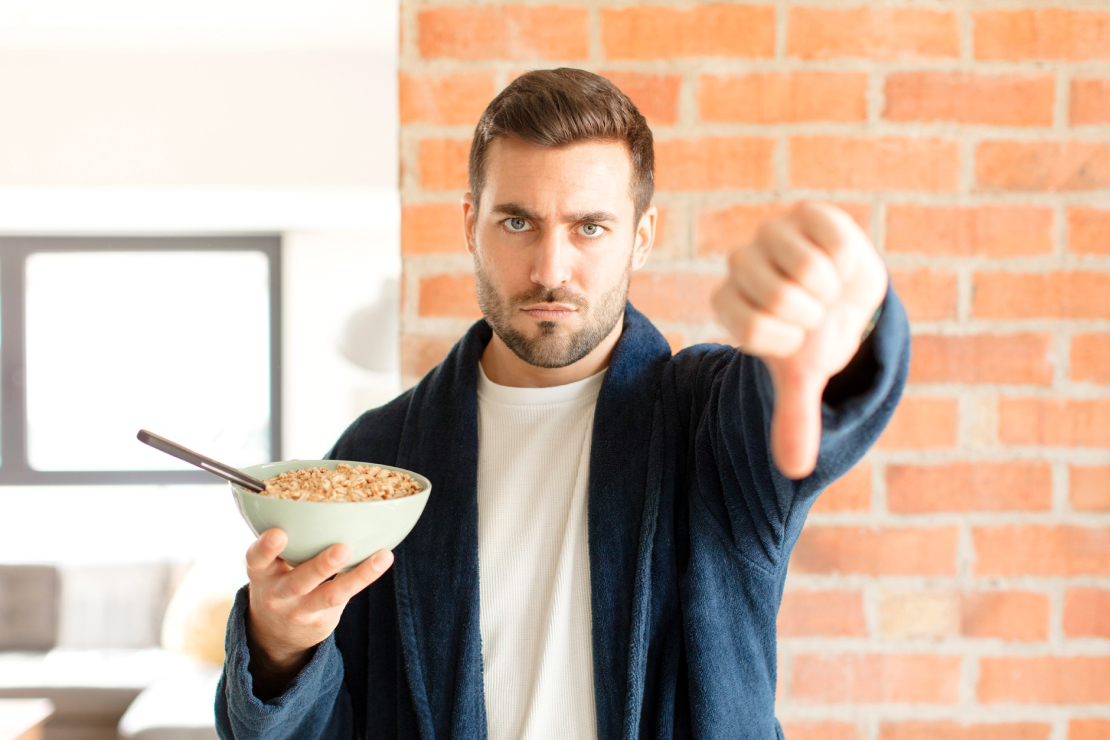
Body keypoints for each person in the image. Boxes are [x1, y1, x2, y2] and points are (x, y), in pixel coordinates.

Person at [216, 68, 909, 740]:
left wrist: (850, 321)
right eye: (518, 223)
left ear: (641, 236)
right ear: (470, 226)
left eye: (590, 228)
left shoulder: (708, 422)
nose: (551, 268)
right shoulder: (377, 455)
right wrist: (280, 646)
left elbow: (801, 397)